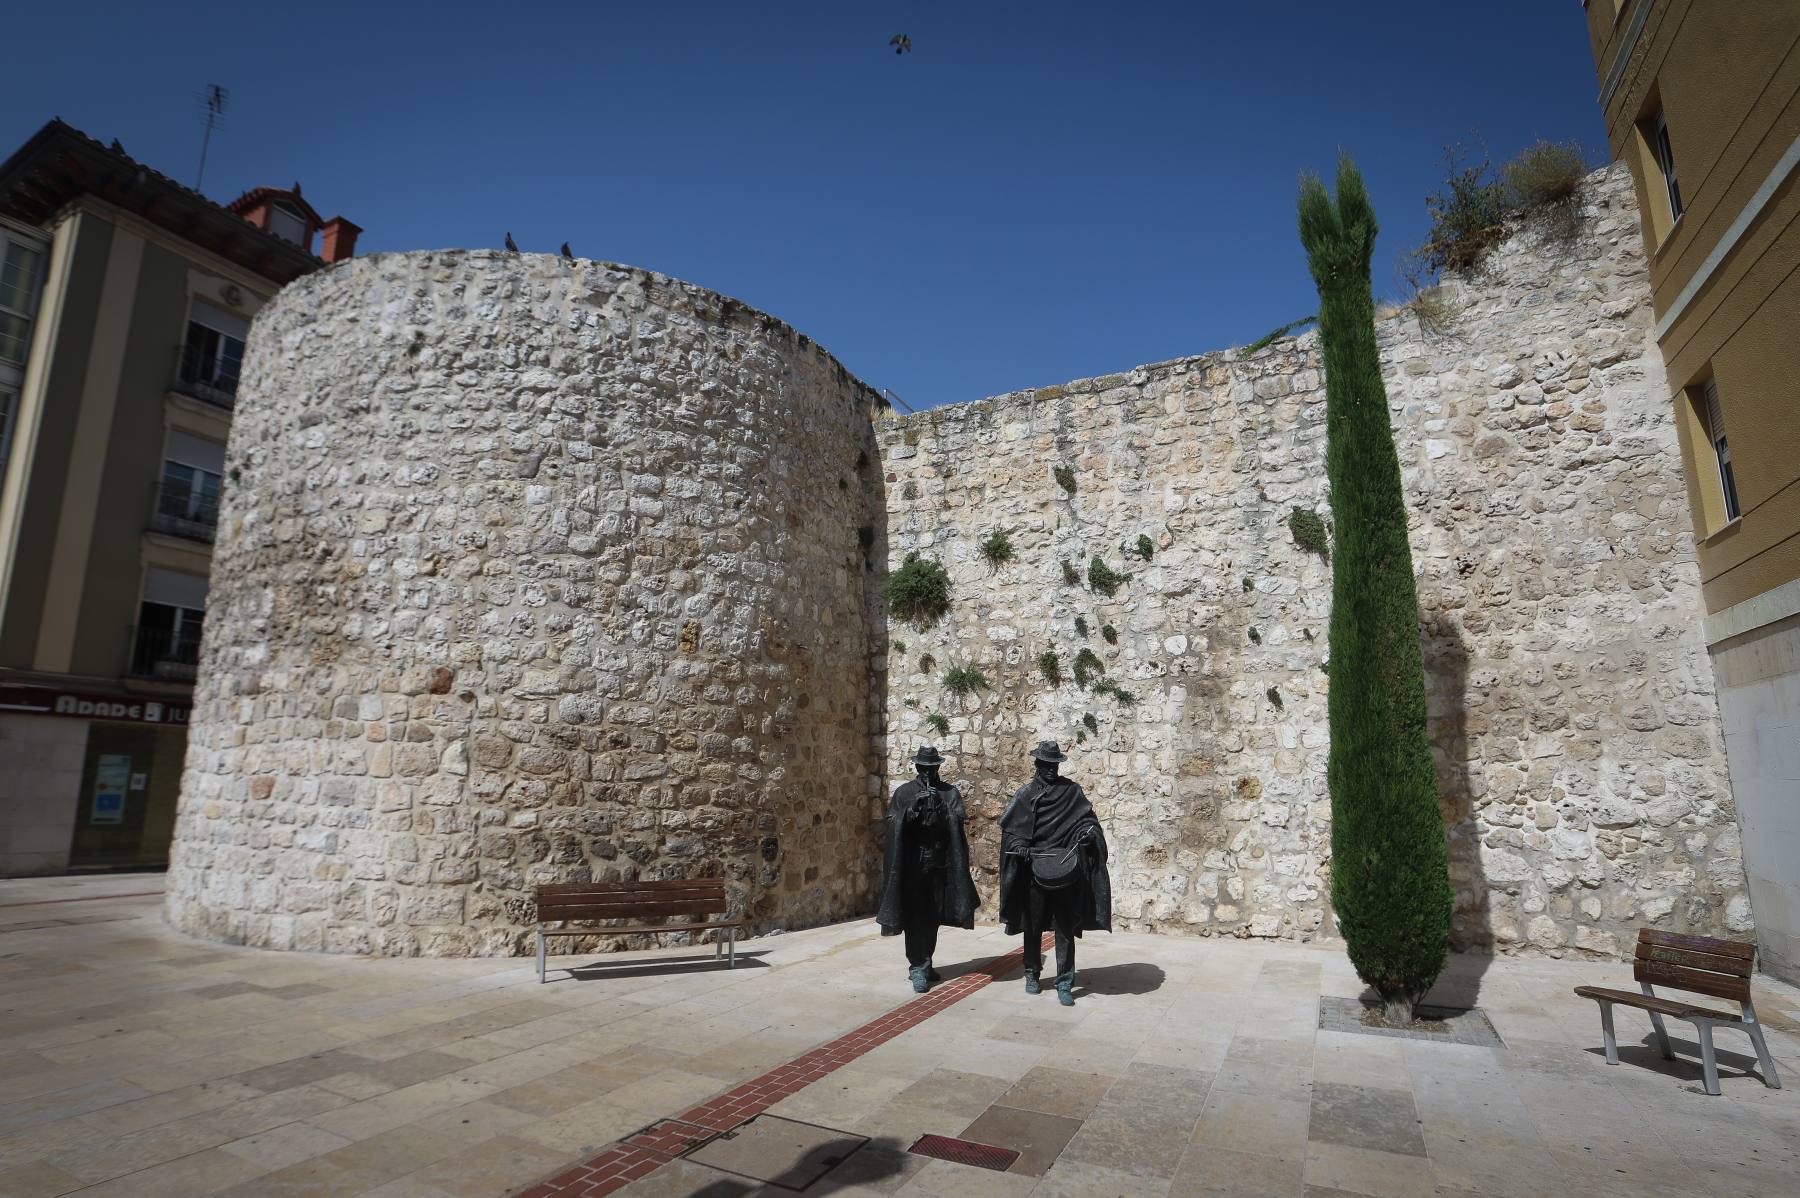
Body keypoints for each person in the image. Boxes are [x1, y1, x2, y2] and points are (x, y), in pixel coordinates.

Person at [998, 740, 1111, 1005]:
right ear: (1037, 764)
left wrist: (1088, 836)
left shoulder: (1072, 793)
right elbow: (1011, 835)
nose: (1050, 770)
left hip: (1066, 871)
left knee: (1065, 927)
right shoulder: (1025, 795)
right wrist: (1021, 848)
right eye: (1046, 765)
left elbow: (1089, 823)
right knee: (1033, 926)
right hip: (1035, 874)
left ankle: (1064, 982)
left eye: (1054, 765)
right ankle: (1032, 972)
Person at [876, 745, 979, 992]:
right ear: (917, 767)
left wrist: (943, 810)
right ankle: (917, 966)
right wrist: (911, 811)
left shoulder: (949, 793)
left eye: (932, 768)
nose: (928, 772)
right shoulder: (904, 793)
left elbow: (958, 822)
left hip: (939, 864)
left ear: (937, 768)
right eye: (924, 768)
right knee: (914, 917)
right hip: (912, 865)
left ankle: (926, 960)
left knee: (932, 917)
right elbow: (892, 823)